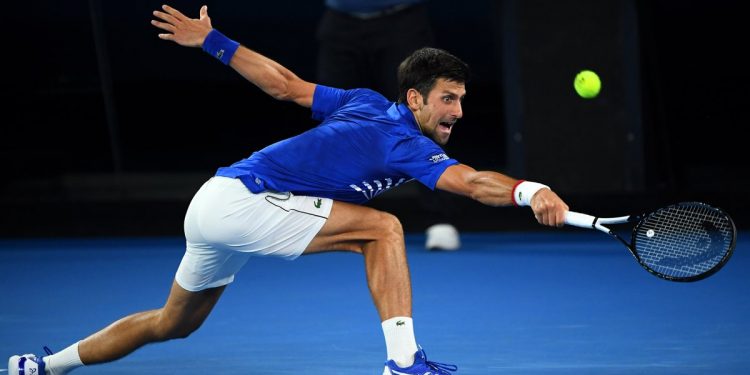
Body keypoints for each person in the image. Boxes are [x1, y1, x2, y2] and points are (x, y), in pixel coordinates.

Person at [8, 5, 569, 375]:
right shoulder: (401, 139)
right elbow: (469, 182)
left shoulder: (363, 101)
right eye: (448, 98)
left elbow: (285, 86)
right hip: (244, 200)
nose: (459, 111)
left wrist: (213, 42)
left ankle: (45, 367)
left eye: (463, 100)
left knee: (171, 323)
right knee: (384, 229)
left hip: (214, 201)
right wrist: (529, 190)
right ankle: (403, 363)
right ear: (416, 98)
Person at [316, 0, 464, 250]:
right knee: (335, 120)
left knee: (420, 114)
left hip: (401, 22)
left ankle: (439, 220)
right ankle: (332, 217)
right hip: (339, 22)